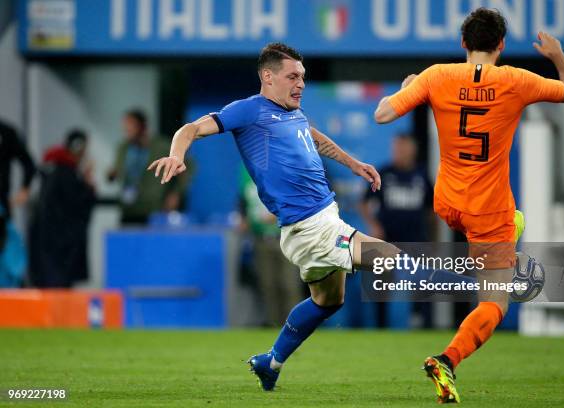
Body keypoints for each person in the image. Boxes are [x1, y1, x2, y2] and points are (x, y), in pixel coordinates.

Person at [148, 43, 471, 392]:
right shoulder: (249, 111)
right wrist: (176, 155)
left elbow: (315, 139)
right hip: (311, 227)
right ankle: (488, 284)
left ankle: (271, 362)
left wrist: (353, 163)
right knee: (390, 259)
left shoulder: (294, 114)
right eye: (292, 76)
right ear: (267, 77)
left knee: (328, 301)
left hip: (316, 224)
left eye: (302, 76)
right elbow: (190, 129)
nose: (300, 83)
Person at [375, 8, 564, 403]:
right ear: (501, 45)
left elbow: (383, 113)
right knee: (495, 304)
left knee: (509, 220)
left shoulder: (437, 75)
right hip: (488, 211)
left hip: (448, 202)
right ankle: (447, 360)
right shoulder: (515, 80)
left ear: (463, 44)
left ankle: (512, 226)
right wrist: (556, 55)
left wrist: (407, 87)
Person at [359, 133, 434, 328]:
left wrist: (432, 237)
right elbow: (364, 203)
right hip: (387, 242)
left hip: (415, 240)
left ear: (413, 150)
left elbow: (431, 209)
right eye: (396, 148)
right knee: (382, 285)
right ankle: (380, 326)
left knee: (421, 285)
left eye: (403, 148)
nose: (399, 152)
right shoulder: (384, 172)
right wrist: (374, 225)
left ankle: (422, 323)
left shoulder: (422, 175)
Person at [29, 129, 96, 288]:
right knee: (58, 287)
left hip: (44, 240)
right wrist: (88, 186)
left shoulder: (51, 169)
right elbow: (77, 204)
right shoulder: (67, 173)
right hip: (61, 245)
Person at [238, 166, 304, 327]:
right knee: (268, 286)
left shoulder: (285, 163)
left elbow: (300, 196)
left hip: (286, 236)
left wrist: (280, 214)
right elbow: (243, 197)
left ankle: (296, 328)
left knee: (289, 286)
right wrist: (243, 216)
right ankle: (275, 328)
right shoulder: (246, 169)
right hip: (260, 237)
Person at [108, 109, 191, 225]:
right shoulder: (123, 148)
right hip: (128, 208)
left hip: (154, 208)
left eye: (130, 125)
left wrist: (176, 194)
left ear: (141, 126)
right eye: (125, 126)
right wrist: (111, 174)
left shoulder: (162, 146)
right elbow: (114, 172)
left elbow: (187, 167)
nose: (126, 129)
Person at [0, 120, 36, 219]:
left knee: (9, 232)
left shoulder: (6, 132)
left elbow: (28, 163)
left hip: (1, 201)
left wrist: (25, 188)